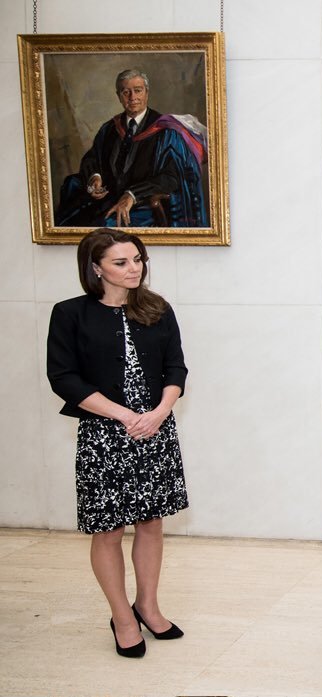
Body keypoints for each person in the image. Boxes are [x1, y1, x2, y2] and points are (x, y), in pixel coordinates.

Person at [46, 228, 190, 658]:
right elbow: (63, 377)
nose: (134, 268)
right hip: (104, 434)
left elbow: (176, 367)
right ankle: (122, 617)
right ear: (95, 268)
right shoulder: (69, 313)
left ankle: (147, 605)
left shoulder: (157, 308)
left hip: (155, 429)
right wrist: (123, 414)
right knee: (108, 530)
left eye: (138, 259)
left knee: (151, 523)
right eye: (121, 262)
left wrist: (161, 411)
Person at [55, 69, 208, 228]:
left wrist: (132, 194)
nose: (132, 97)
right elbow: (92, 157)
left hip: (143, 202)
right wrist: (95, 176)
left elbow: (171, 177)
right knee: (72, 204)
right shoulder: (110, 128)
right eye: (126, 92)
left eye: (138, 91)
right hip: (109, 197)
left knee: (106, 225)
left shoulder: (166, 131)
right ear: (118, 96)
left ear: (146, 93)